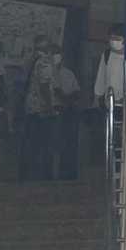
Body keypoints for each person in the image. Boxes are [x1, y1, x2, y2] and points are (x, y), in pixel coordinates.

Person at [20, 40, 62, 181]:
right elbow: (44, 87)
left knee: (33, 142)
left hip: (33, 108)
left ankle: (30, 175)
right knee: (45, 143)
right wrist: (50, 107)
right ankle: (43, 175)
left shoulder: (35, 62)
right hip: (42, 109)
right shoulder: (45, 62)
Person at [55, 50, 81, 180]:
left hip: (68, 111)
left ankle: (68, 173)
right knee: (56, 144)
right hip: (53, 111)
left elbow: (77, 91)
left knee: (68, 143)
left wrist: (67, 101)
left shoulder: (68, 73)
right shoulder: (47, 72)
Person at [93, 26, 126, 107]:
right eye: (111, 38)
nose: (113, 41)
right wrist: (96, 99)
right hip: (109, 103)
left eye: (117, 39)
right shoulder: (106, 55)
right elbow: (100, 78)